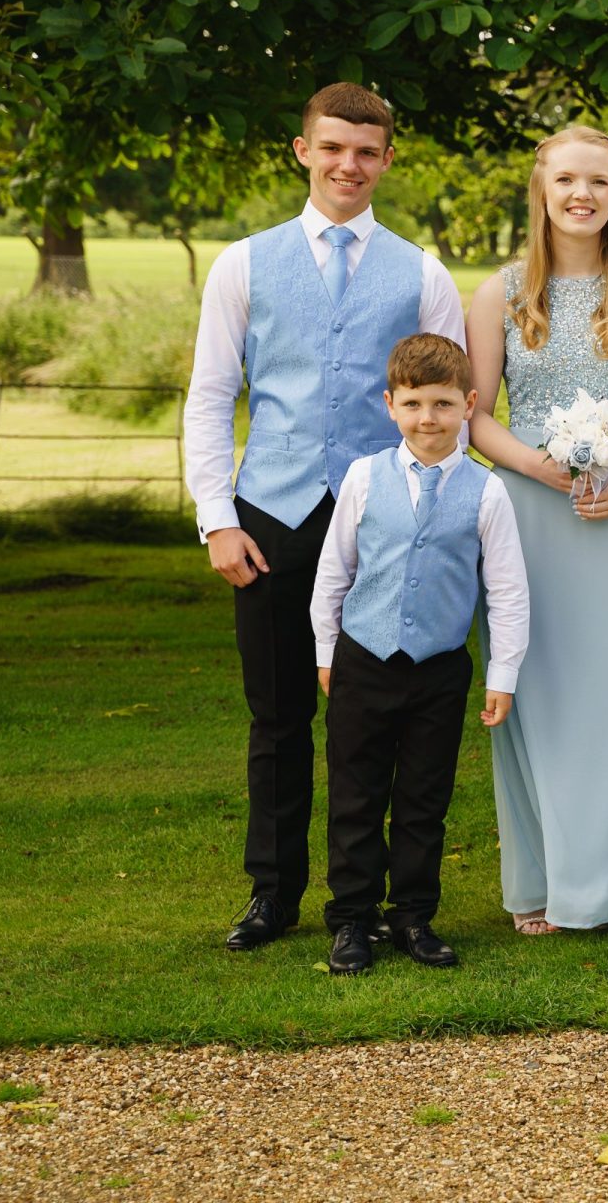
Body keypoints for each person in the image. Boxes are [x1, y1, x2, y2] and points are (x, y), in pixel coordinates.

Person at [184, 82, 466, 951]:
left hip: (384, 523)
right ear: (303, 150)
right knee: (277, 717)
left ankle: (375, 902)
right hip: (270, 516)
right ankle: (273, 895)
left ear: (387, 160)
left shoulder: (423, 272)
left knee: (375, 721)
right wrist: (216, 518)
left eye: (367, 152)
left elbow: (452, 411)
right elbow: (211, 396)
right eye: (334, 148)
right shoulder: (242, 264)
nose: (350, 165)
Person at [465, 126, 608, 933]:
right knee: (540, 693)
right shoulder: (498, 295)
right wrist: (537, 466)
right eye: (566, 180)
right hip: (527, 519)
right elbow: (474, 419)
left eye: (597, 180)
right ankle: (546, 879)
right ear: (542, 190)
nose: (581, 194)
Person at [309, 334, 529, 973]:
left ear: (469, 405)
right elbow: (333, 573)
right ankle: (353, 919)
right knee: (355, 795)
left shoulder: (488, 492)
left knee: (423, 801)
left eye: (441, 404)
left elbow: (507, 591)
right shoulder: (363, 477)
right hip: (363, 660)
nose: (427, 418)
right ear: (390, 405)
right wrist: (327, 651)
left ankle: (412, 917)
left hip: (439, 670)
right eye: (412, 404)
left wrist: (503, 673)